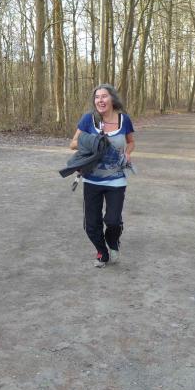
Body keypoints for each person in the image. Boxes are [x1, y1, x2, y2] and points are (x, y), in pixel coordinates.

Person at [69, 84, 136, 268]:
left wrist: (128, 153)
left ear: (112, 99)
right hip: (92, 179)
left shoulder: (124, 120)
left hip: (116, 179)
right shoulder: (88, 119)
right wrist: (93, 142)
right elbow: (73, 144)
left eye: (104, 96)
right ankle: (102, 252)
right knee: (91, 225)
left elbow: (131, 142)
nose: (100, 100)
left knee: (113, 221)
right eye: (97, 97)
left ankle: (112, 241)